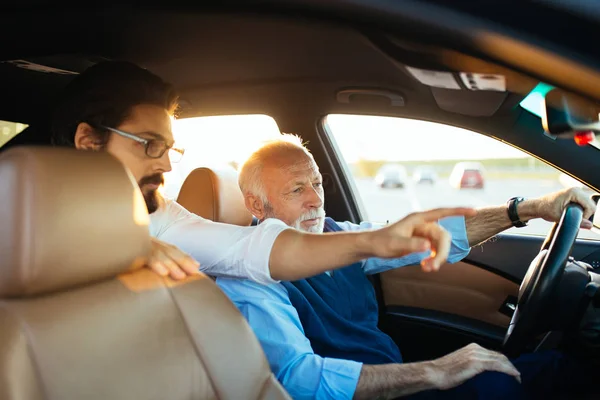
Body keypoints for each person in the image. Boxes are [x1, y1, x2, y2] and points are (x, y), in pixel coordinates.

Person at [216, 134, 597, 399]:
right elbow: (301, 381)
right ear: (255, 205)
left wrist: (528, 209)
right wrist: (433, 371)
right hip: (371, 394)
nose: (317, 199)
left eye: (317, 182)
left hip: (399, 382)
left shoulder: (336, 234)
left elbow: (429, 236)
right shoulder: (251, 274)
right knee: (503, 386)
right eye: (297, 189)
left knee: (558, 367)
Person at [50, 60, 473, 284]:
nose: (163, 163)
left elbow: (256, 250)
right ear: (89, 141)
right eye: (149, 145)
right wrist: (117, 251)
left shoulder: (162, 217)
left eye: (169, 148)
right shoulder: (14, 212)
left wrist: (375, 240)